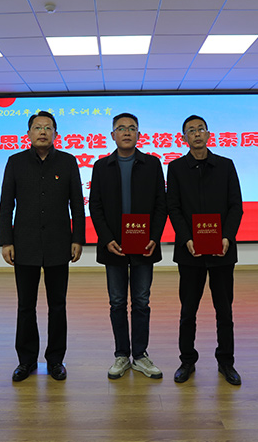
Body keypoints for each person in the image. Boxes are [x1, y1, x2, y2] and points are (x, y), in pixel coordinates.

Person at [0, 111, 86, 382]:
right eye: (37, 127)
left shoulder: (68, 162)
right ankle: (26, 361)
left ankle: (56, 360)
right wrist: (6, 241)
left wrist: (78, 239)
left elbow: (77, 203)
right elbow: (6, 204)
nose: (43, 132)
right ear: (29, 133)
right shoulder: (15, 162)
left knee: (57, 305)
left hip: (59, 244)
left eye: (48, 127)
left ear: (56, 134)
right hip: (24, 245)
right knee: (26, 306)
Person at [166, 114, 244, 386]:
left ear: (209, 134)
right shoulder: (176, 168)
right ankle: (187, 361)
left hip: (222, 250)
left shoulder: (225, 165)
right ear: (184, 138)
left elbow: (236, 205)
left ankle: (226, 362)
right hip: (190, 252)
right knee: (188, 310)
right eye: (191, 130)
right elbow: (173, 207)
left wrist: (227, 236)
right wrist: (186, 237)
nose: (197, 133)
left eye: (201, 129)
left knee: (224, 311)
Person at [89, 113, 167, 379]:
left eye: (132, 128)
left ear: (138, 134)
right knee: (117, 302)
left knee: (142, 301)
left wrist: (154, 236)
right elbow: (95, 206)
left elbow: (161, 204)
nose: (126, 132)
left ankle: (140, 356)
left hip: (145, 245)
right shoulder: (101, 166)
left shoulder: (152, 164)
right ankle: (122, 355)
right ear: (112, 135)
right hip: (113, 246)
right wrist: (106, 238)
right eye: (121, 128)